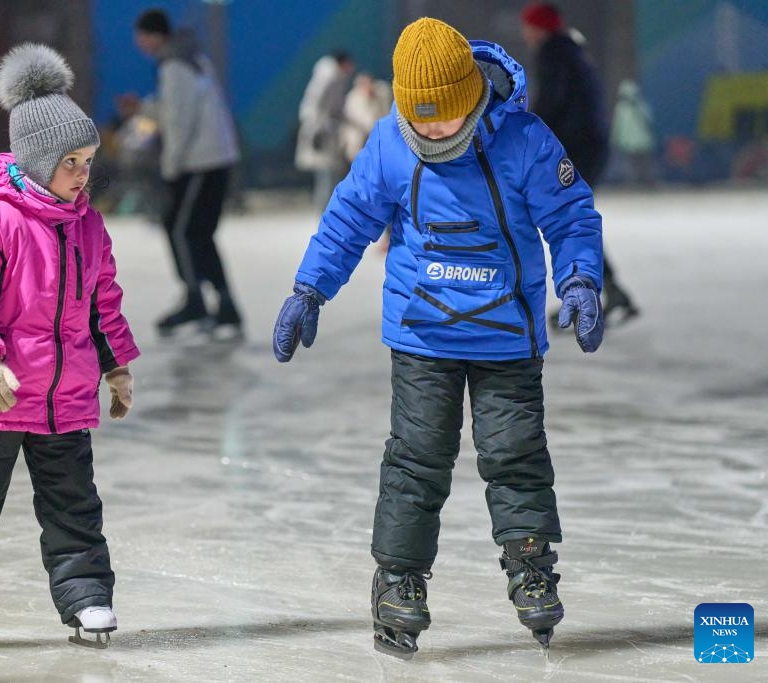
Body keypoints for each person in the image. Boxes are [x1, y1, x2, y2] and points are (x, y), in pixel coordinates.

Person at [273, 18, 605, 659]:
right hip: (422, 335)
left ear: (472, 98)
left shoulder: (525, 141)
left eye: (444, 120)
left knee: (516, 455)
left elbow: (570, 214)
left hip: (506, 337)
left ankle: (531, 563)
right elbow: (347, 219)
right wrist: (308, 289)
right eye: (419, 119)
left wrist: (582, 280)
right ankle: (399, 579)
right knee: (416, 461)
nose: (430, 131)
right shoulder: (390, 145)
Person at [0, 44, 140, 651]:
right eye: (71, 161)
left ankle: (88, 598)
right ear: (38, 162)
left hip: (64, 397)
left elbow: (102, 302)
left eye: (88, 160)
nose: (83, 173)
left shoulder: (88, 223)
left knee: (74, 508)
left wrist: (116, 366)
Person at [520, 2, 639, 324]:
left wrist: (526, 133)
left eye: (529, 26)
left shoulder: (553, 51)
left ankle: (591, 294)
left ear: (540, 28)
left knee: (570, 220)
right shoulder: (573, 49)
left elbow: (552, 99)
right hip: (590, 146)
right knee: (573, 218)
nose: (526, 33)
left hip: (577, 148)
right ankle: (609, 290)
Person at [134, 8, 243, 338]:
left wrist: (171, 166)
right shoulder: (191, 57)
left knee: (180, 228)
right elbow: (178, 108)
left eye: (140, 36)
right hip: (213, 158)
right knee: (198, 231)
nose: (139, 44)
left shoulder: (174, 65)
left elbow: (181, 119)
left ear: (153, 35)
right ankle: (225, 304)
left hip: (200, 161)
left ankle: (195, 297)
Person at [295, 51, 355, 211]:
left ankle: (328, 209)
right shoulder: (329, 76)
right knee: (326, 173)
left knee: (328, 173)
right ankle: (325, 210)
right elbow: (315, 104)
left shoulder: (332, 76)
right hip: (322, 131)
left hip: (326, 129)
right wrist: (318, 127)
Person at [610, 79, 656, 187]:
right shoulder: (636, 106)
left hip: (635, 141)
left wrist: (615, 139)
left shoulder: (633, 106)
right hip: (637, 141)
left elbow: (617, 126)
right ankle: (637, 182)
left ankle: (643, 181)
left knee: (640, 163)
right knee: (635, 163)